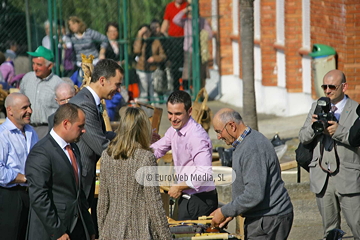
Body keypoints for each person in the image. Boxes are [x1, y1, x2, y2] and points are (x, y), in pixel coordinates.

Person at [211, 108, 293, 239]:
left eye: (219, 132)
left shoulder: (252, 148)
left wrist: (224, 211)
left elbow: (254, 194)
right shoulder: (244, 143)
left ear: (231, 126)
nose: (218, 137)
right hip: (265, 217)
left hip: (269, 219)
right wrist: (230, 213)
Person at [299, 69, 360, 239]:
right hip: (322, 178)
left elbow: (358, 140)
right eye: (324, 86)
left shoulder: (356, 110)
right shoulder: (316, 106)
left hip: (348, 176)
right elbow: (303, 137)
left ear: (344, 86)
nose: (327, 91)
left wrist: (337, 131)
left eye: (332, 86)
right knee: (329, 231)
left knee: (357, 225)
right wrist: (314, 127)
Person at [97, 107, 172, 239]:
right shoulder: (146, 158)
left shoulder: (107, 156)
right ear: (143, 129)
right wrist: (166, 237)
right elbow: (154, 205)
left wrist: (103, 232)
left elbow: (102, 203)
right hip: (139, 232)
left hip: (111, 230)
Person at [25, 103, 95, 240]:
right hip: (53, 232)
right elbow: (39, 197)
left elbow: (78, 193)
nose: (83, 130)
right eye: (80, 126)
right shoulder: (42, 152)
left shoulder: (73, 148)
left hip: (76, 228)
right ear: (66, 124)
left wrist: (89, 228)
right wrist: (57, 231)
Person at [151, 90, 218, 220]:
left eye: (178, 114)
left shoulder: (196, 137)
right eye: (170, 113)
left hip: (200, 200)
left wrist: (179, 186)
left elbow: (204, 173)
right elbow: (157, 149)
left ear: (189, 111)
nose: (173, 118)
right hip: (187, 197)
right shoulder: (174, 130)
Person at [69, 59, 123, 203]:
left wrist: (131, 137)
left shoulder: (90, 100)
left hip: (86, 176)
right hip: (79, 179)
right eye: (117, 84)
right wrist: (135, 152)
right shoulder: (85, 103)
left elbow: (102, 134)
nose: (119, 90)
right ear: (102, 80)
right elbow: (101, 144)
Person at [0, 93, 38, 240]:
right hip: (10, 196)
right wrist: (22, 178)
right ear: (10, 111)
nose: (30, 110)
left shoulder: (30, 131)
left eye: (30, 106)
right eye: (24, 107)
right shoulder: (3, 135)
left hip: (30, 193)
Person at [20, 46, 64, 139]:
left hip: (47, 129)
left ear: (50, 66)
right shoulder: (27, 79)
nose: (35, 68)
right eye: (34, 64)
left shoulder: (58, 84)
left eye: (39, 65)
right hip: (27, 128)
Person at [173, 6, 212, 90]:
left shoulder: (202, 21)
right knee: (189, 71)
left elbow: (209, 34)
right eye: (190, 13)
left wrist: (202, 33)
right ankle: (190, 90)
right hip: (189, 49)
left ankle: (201, 91)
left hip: (200, 50)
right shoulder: (186, 21)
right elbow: (175, 20)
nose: (191, 15)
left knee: (201, 71)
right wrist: (185, 10)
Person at [133, 24, 166, 102]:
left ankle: (155, 106)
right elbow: (136, 50)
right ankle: (143, 107)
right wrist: (140, 35)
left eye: (147, 32)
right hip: (142, 68)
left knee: (154, 92)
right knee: (143, 91)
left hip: (153, 69)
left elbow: (163, 56)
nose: (145, 34)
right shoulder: (139, 41)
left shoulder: (156, 41)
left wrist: (154, 58)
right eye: (143, 32)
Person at [161, 0, 188, 90]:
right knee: (174, 66)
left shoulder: (186, 5)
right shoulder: (170, 6)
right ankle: (175, 88)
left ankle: (186, 86)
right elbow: (166, 21)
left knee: (185, 64)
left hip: (185, 39)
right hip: (173, 40)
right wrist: (161, 33)